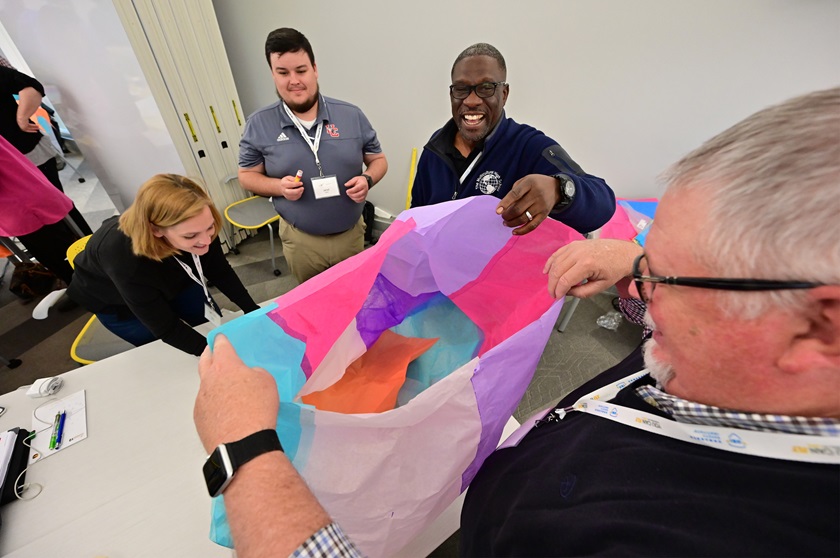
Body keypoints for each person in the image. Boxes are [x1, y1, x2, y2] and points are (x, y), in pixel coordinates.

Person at [194, 88, 840, 557]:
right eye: (647, 257)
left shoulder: (718, 530)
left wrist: (245, 451)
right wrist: (634, 261)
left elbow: (593, 192)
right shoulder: (718, 352)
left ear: (819, 327)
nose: (637, 291)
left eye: (665, 274)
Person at [410, 43, 615, 236]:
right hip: (439, 272)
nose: (471, 101)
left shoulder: (527, 146)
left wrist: (558, 190)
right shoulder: (435, 148)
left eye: (486, 87)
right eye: (461, 89)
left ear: (504, 93)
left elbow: (603, 202)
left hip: (500, 273)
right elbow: (415, 218)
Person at [238, 28, 388, 284]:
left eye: (301, 70)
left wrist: (368, 180)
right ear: (273, 74)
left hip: (350, 236)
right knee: (313, 305)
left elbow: (378, 160)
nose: (294, 80)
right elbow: (247, 176)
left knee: (353, 296)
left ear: (315, 69)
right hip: (301, 241)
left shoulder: (351, 115)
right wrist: (278, 187)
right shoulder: (259, 124)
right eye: (283, 73)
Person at [67, 174, 259, 356]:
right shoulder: (123, 257)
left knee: (209, 323)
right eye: (190, 236)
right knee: (164, 352)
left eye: (210, 228)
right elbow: (165, 329)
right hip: (116, 301)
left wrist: (253, 310)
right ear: (156, 230)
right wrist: (216, 355)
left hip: (176, 276)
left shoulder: (198, 224)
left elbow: (220, 271)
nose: (206, 241)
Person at [1, 65, 93, 236]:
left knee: (59, 211)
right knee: (29, 226)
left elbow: (31, 87)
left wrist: (22, 118)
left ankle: (88, 249)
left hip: (29, 155)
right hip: (6, 176)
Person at [0, 134, 78, 285]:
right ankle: (83, 285)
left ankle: (85, 289)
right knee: (60, 247)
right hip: (25, 194)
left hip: (19, 205)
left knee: (56, 253)